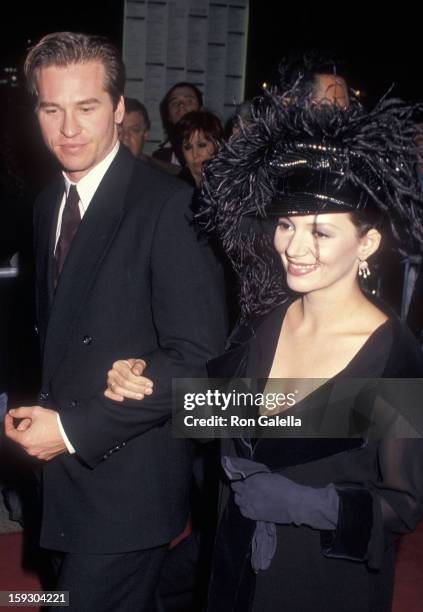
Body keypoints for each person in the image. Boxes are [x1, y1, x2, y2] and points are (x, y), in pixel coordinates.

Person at [107, 85, 423, 611]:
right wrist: (145, 375)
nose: (294, 248)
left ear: (367, 243)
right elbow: (222, 413)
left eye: (321, 233)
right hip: (234, 569)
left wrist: (309, 504)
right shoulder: (265, 324)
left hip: (321, 582)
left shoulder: (395, 358)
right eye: (286, 225)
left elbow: (404, 505)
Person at [4, 31, 227, 612]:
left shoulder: (168, 205)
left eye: (87, 107)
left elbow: (199, 360)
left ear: (118, 109)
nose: (69, 128)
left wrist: (72, 431)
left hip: (125, 487)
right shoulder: (48, 202)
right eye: (53, 109)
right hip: (58, 486)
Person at [152, 82, 203, 165]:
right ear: (169, 116)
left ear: (201, 110)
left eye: (189, 101)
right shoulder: (159, 159)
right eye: (175, 103)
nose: (181, 105)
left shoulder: (216, 152)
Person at [174, 110, 224, 188]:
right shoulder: (174, 188)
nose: (195, 154)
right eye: (188, 147)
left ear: (219, 146)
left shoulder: (235, 186)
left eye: (201, 145)